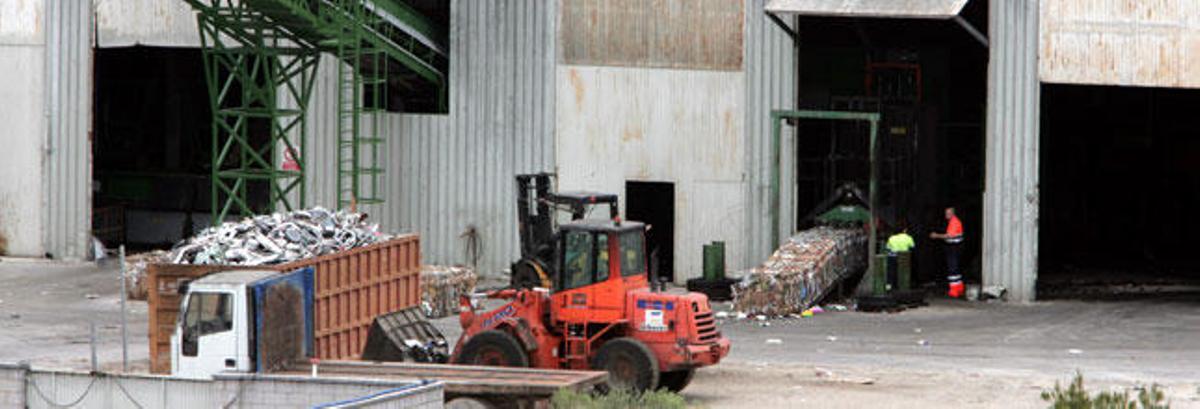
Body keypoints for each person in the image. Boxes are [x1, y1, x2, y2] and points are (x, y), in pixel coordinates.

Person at [930, 207, 964, 298]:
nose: (946, 215)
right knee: (955, 269)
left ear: (953, 213)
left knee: (953, 269)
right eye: (946, 213)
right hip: (954, 247)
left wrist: (936, 235)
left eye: (948, 213)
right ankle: (959, 289)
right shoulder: (953, 222)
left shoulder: (954, 222)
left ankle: (954, 291)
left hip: (954, 248)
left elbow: (949, 236)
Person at [885, 224, 916, 291]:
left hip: (893, 257)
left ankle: (889, 286)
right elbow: (912, 246)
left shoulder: (891, 238)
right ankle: (904, 286)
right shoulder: (908, 237)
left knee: (891, 271)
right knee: (904, 272)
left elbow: (888, 248)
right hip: (905, 258)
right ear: (904, 230)